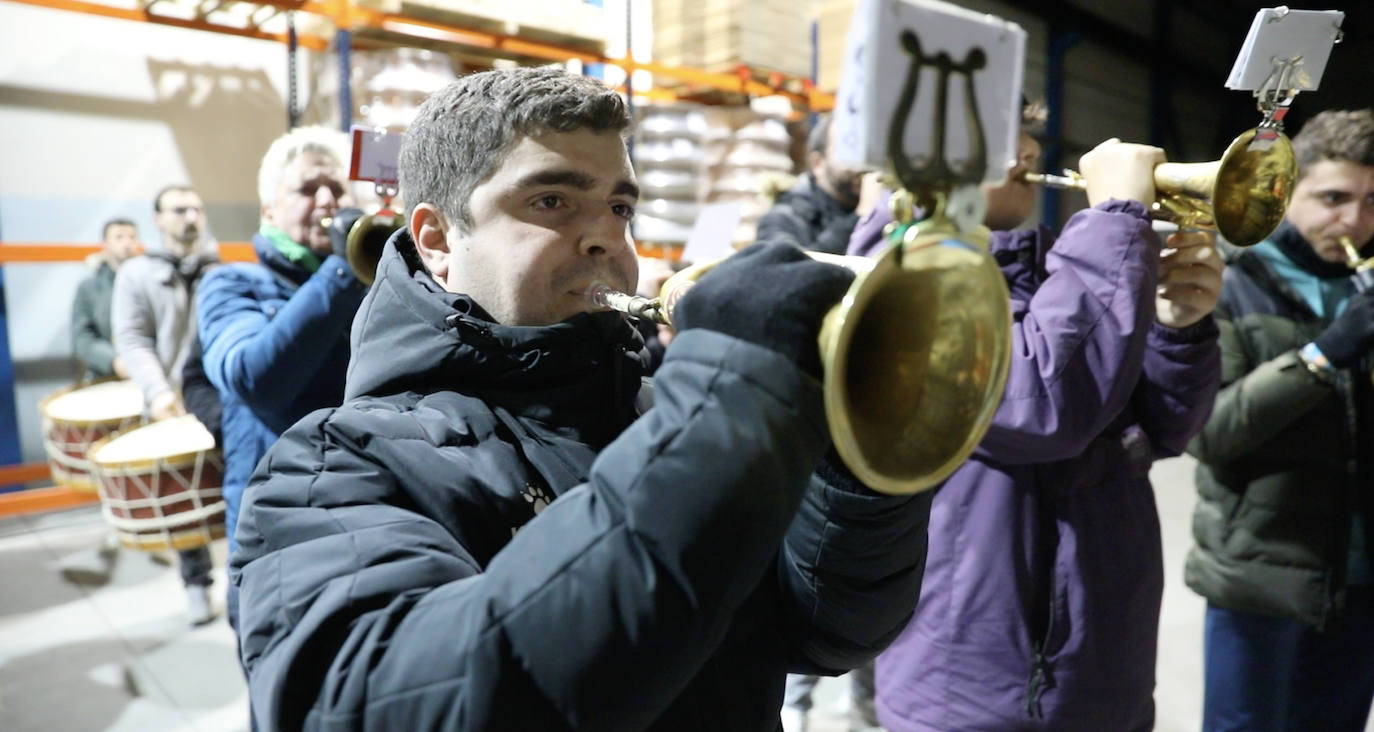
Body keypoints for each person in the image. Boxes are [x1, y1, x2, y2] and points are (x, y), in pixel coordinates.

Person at [229, 66, 936, 731]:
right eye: (552, 201)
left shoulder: (659, 410)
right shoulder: (329, 468)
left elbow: (825, 631)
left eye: (619, 205)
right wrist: (723, 411)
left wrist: (856, 468)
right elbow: (386, 704)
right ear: (438, 239)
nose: (607, 237)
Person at [850, 121, 1224, 729]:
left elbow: (1163, 428)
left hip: (1105, 664)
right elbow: (1043, 406)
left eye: (1028, 139)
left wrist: (1176, 329)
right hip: (967, 691)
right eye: (997, 132)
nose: (1027, 152)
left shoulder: (1063, 269)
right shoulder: (897, 280)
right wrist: (1116, 218)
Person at [1184, 108, 1374, 732]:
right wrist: (1323, 355)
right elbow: (1211, 432)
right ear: (1287, 193)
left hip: (1356, 576)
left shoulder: (1360, 281)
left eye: (1372, 202)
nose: (1354, 221)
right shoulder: (1229, 281)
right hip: (1262, 574)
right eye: (1333, 198)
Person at [196, 126, 367, 563]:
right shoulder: (231, 284)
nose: (328, 201)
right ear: (269, 211)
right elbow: (254, 379)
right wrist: (341, 271)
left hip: (367, 503)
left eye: (336, 188)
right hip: (279, 524)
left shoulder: (367, 283)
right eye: (308, 189)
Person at [112, 185, 219, 625]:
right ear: (157, 219)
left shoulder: (219, 270)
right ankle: (196, 583)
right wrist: (158, 393)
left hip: (214, 397)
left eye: (196, 208)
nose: (190, 217)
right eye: (179, 210)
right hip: (167, 400)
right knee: (183, 500)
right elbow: (133, 340)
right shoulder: (136, 274)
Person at [756, 113, 866, 255]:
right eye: (849, 151)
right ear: (817, 163)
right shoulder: (783, 219)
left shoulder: (886, 209)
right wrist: (860, 217)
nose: (860, 164)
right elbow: (793, 271)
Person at [71, 218, 140, 379]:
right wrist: (113, 360)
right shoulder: (89, 288)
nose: (127, 243)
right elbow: (82, 337)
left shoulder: (150, 283)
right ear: (105, 244)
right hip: (105, 375)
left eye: (132, 237)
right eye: (119, 237)